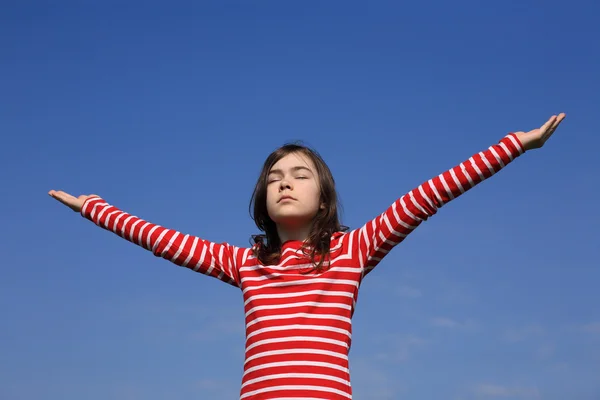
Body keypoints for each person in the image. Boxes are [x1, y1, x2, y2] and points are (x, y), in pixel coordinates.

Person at [49, 113, 566, 400]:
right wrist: (92, 207)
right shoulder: (245, 264)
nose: (285, 184)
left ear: (325, 196)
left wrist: (516, 144)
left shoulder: (353, 249)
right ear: (262, 202)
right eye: (273, 179)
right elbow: (161, 238)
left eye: (299, 175)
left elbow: (429, 194)